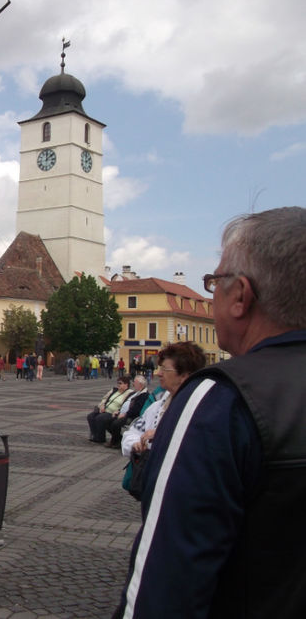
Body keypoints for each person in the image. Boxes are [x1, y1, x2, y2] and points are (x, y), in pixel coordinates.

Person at [114, 207, 306, 618]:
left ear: (240, 296)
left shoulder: (220, 398)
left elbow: (169, 575)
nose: (212, 291)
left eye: (215, 281)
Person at [119, 342, 205, 457]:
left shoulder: (203, 408)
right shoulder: (157, 407)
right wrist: (135, 444)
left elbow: (199, 444)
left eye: (165, 369)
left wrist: (160, 435)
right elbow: (132, 433)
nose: (159, 374)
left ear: (184, 375)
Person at [105, 374, 152, 449]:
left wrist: (125, 414)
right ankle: (118, 438)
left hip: (131, 416)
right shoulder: (135, 392)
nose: (133, 384)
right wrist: (118, 411)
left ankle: (115, 442)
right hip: (123, 413)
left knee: (115, 423)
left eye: (135, 382)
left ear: (140, 384)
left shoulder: (144, 395)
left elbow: (136, 410)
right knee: (107, 421)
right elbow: (125, 403)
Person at [86, 376, 132, 443]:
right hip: (104, 410)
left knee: (100, 418)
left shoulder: (129, 393)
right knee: (90, 416)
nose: (118, 385)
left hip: (113, 413)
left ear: (126, 384)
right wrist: (102, 405)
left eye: (120, 383)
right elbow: (105, 398)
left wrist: (119, 411)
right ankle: (95, 435)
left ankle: (100, 438)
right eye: (117, 383)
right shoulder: (114, 390)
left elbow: (127, 405)